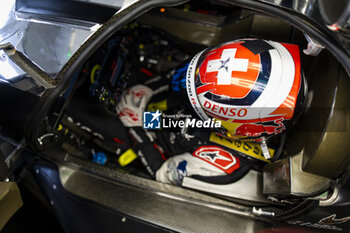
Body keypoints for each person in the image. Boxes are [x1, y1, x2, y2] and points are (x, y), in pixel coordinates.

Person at [116, 38, 306, 193]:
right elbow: (186, 77)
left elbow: (161, 172)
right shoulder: (263, 68)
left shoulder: (225, 167)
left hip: (146, 137)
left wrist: (135, 127)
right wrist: (150, 89)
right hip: (158, 108)